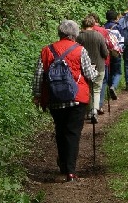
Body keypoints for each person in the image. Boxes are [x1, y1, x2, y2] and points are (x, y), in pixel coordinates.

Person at [32, 20, 98, 182]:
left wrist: (38, 95)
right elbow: (90, 75)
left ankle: (63, 164)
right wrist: (96, 71)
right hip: (77, 98)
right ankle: (70, 171)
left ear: (60, 32)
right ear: (74, 34)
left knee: (60, 131)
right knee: (73, 133)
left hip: (54, 98)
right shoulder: (79, 50)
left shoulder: (47, 50)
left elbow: (39, 75)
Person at [76, 15, 109, 123]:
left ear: (83, 25)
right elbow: (105, 52)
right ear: (93, 24)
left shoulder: (79, 37)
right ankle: (95, 110)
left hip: (85, 67)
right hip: (99, 66)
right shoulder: (99, 36)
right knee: (97, 89)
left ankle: (89, 111)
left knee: (88, 89)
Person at [88, 12, 112, 114]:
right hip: (102, 62)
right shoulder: (103, 31)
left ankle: (89, 110)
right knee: (101, 84)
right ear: (97, 20)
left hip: (87, 63)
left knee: (89, 87)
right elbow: (109, 46)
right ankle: (99, 106)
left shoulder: (81, 33)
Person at [103, 10, 123, 103]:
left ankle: (110, 87)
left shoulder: (103, 27)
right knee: (118, 72)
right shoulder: (118, 27)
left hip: (106, 52)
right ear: (116, 18)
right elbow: (122, 41)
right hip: (115, 52)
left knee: (109, 71)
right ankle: (113, 86)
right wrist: (121, 50)